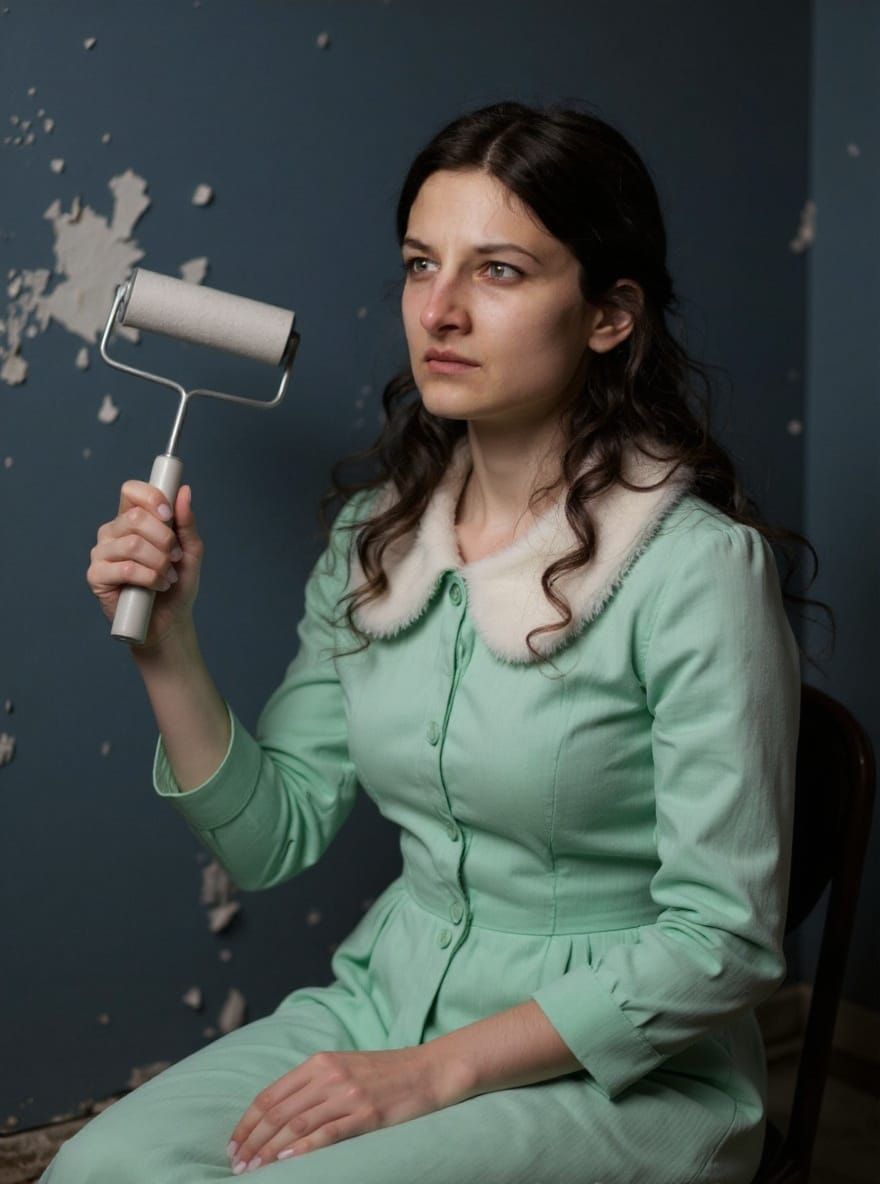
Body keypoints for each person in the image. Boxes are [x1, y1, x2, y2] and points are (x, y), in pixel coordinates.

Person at [54, 100, 829, 1183]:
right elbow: (268, 837)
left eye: (499, 270)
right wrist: (166, 642)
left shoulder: (692, 567)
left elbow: (724, 939)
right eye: (422, 264)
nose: (441, 310)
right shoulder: (380, 542)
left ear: (609, 314)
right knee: (103, 1169)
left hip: (618, 1069)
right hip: (385, 1000)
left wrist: (434, 1072)